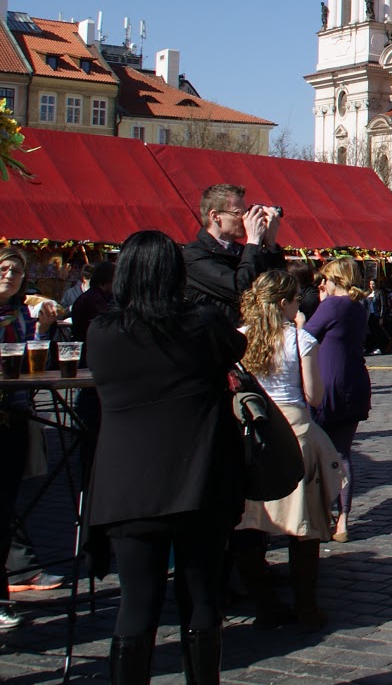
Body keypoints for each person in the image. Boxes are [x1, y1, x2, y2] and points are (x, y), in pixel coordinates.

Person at [85, 231, 243, 683]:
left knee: (137, 602)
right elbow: (236, 349)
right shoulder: (202, 322)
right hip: (198, 479)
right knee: (201, 598)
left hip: (127, 486)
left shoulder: (103, 331)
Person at [234, 271, 342, 632]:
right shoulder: (299, 339)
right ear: (284, 304)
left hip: (253, 430)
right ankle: (306, 606)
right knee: (303, 526)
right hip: (294, 430)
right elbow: (314, 395)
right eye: (296, 298)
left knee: (249, 523)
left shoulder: (240, 339)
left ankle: (264, 603)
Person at [0, 247, 60, 632]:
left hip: (15, 414)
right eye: (4, 268)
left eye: (17, 270)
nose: (10, 274)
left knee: (5, 510)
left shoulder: (21, 312)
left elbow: (26, 358)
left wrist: (43, 332)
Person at [304, 257, 371, 543]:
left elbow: (305, 337)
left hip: (328, 385)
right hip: (354, 384)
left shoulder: (332, 305)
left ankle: (321, 513)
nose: (323, 283)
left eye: (327, 278)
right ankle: (343, 519)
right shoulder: (359, 307)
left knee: (317, 453)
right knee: (343, 455)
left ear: (338, 279)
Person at [183, 183, 286, 312]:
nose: (245, 219)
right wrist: (253, 242)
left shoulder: (244, 252)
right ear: (215, 216)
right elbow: (240, 290)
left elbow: (280, 287)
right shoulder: (193, 255)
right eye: (238, 213)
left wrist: (270, 245)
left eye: (246, 212)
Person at [70, 261, 116, 335]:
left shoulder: (88, 296)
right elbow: (106, 329)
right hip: (90, 344)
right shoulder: (96, 300)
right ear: (109, 280)